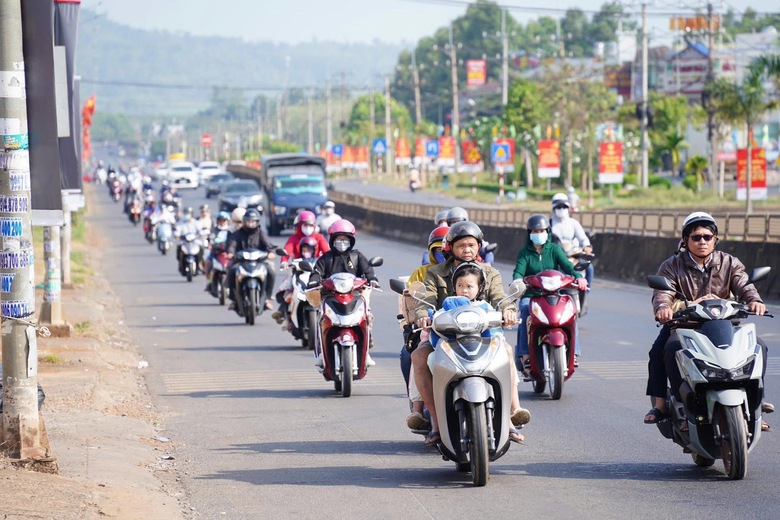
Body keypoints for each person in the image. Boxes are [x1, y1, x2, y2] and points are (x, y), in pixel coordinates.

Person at [651, 212, 772, 431]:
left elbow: (745, 285)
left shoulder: (729, 262)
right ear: (685, 240)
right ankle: (668, 406)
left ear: (715, 239)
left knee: (758, 347)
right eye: (696, 237)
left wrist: (755, 301)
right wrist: (663, 309)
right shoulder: (672, 265)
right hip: (684, 326)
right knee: (666, 349)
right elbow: (662, 293)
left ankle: (755, 404)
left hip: (725, 326)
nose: (702, 242)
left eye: (707, 237)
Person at [413, 221, 529, 446]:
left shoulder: (490, 272)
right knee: (419, 357)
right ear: (450, 248)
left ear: (479, 247)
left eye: (472, 245)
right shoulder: (435, 273)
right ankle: (436, 423)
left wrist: (508, 310)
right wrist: (422, 314)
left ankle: (510, 416)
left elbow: (499, 297)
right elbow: (425, 300)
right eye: (461, 245)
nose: (467, 250)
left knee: (506, 351)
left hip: (483, 335)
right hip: (446, 337)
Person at [513, 214, 588, 370]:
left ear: (547, 231)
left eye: (542, 230)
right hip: (531, 295)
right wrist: (517, 282)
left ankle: (574, 353)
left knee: (571, 312)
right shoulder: (524, 253)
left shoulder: (554, 249)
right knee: (525, 310)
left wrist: (578, 277)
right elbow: (518, 272)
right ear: (529, 233)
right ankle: (525, 355)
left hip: (553, 294)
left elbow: (568, 266)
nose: (538, 233)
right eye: (535, 231)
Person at [308, 219, 379, 367]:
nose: (342, 242)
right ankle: (321, 353)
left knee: (367, 316)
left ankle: (365, 353)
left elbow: (368, 271)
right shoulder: (326, 258)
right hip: (330, 295)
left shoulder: (357, 256)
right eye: (338, 239)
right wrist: (313, 281)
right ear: (332, 240)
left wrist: (372, 279)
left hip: (356, 294)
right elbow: (316, 272)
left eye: (345, 239)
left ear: (351, 241)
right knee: (321, 318)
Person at [402, 225, 449, 432]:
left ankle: (509, 413)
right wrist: (420, 317)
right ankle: (419, 409)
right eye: (438, 250)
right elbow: (413, 301)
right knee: (413, 355)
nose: (443, 254)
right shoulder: (425, 273)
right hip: (433, 328)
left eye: (446, 249)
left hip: (469, 328)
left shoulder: (473, 269)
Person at [272, 211, 329, 325]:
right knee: (287, 286)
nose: (308, 228)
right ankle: (283, 311)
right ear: (299, 226)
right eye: (305, 225)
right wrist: (284, 262)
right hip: (298, 269)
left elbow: (328, 252)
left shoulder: (319, 237)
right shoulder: (294, 238)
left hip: (316, 269)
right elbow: (286, 251)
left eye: (310, 225)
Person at [226, 208, 278, 312]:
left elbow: (268, 244)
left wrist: (271, 252)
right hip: (241, 262)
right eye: (248, 221)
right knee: (231, 271)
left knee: (271, 271)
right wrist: (230, 253)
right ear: (244, 221)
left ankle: (267, 298)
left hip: (259, 262)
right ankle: (234, 299)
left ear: (257, 222)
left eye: (253, 221)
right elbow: (232, 244)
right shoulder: (237, 234)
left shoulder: (261, 233)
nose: (250, 224)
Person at [550, 193, 594, 288]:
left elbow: (583, 238)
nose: (561, 209)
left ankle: (585, 292)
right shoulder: (548, 225)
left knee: (589, 268)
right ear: (553, 208)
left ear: (568, 208)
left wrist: (587, 246)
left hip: (573, 257)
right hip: (555, 259)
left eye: (564, 206)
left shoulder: (574, 223)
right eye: (559, 207)